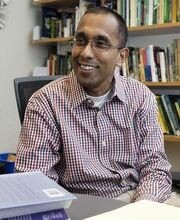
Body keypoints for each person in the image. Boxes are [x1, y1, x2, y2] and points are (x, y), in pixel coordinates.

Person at [15, 6, 172, 203]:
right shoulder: (45, 102)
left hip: (138, 198)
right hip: (77, 204)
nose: (86, 52)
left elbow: (155, 167)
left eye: (101, 43)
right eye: (80, 41)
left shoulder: (141, 97)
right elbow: (35, 182)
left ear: (122, 56)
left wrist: (142, 208)